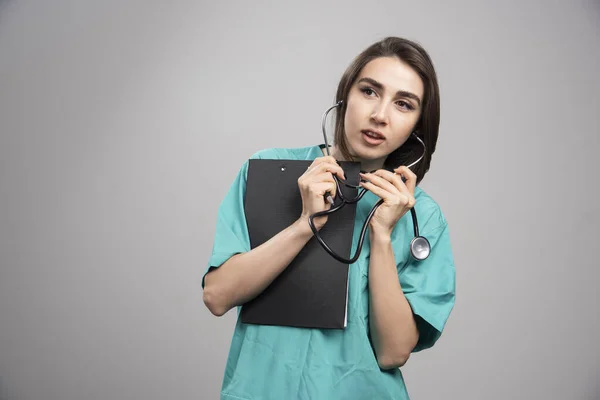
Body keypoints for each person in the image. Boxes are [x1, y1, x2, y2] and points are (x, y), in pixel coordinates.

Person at [202, 36, 456, 400]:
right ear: (345, 95)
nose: (379, 115)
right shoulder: (269, 172)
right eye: (369, 91)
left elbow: (392, 351)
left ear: (418, 124)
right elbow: (217, 296)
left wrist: (381, 235)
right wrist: (305, 223)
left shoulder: (422, 216)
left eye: (403, 104)